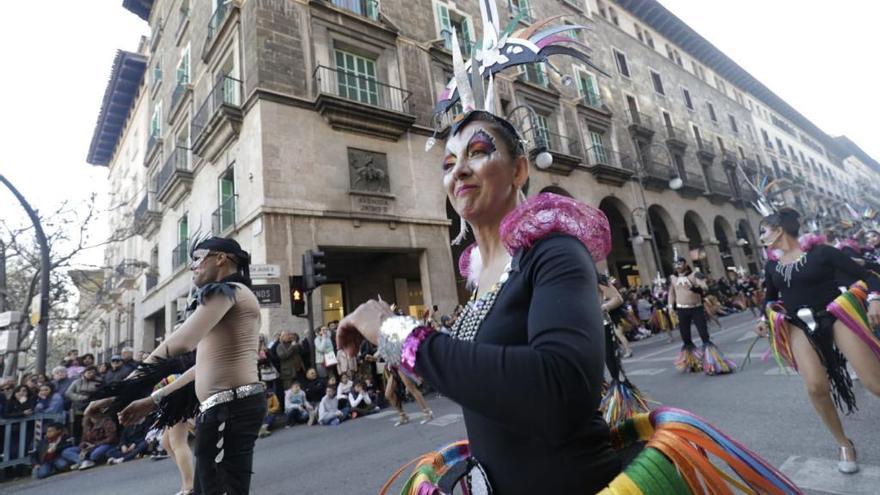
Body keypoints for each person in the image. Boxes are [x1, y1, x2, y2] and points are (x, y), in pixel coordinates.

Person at [104, 237, 264, 495]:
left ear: (221, 258)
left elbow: (181, 342)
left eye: (198, 258)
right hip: (226, 409)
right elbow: (201, 368)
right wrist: (153, 400)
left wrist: (123, 389)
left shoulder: (229, 291)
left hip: (229, 410)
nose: (193, 267)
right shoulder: (231, 300)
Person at [757, 208, 880, 473]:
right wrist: (762, 318)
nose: (760, 237)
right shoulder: (772, 265)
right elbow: (770, 297)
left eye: (763, 230)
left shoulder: (822, 253)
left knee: (874, 382)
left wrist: (874, 299)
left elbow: (868, 275)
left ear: (779, 229)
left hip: (834, 317)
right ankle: (844, 443)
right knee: (815, 387)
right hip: (798, 326)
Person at [669, 258, 735, 375]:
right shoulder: (673, 278)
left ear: (685, 264)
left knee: (704, 335)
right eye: (675, 264)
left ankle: (713, 363)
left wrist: (698, 288)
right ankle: (693, 363)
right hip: (682, 309)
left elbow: (704, 287)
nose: (678, 266)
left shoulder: (695, 275)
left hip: (696, 308)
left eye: (680, 263)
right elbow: (671, 293)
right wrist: (670, 307)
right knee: (685, 337)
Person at [65, 365, 102, 442]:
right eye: (89, 372)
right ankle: (76, 441)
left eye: (93, 373)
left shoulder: (99, 382)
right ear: (84, 373)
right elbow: (69, 393)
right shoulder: (76, 382)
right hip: (78, 407)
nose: (91, 374)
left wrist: (92, 399)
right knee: (77, 426)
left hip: (92, 407)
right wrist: (81, 398)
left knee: (90, 426)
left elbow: (101, 393)